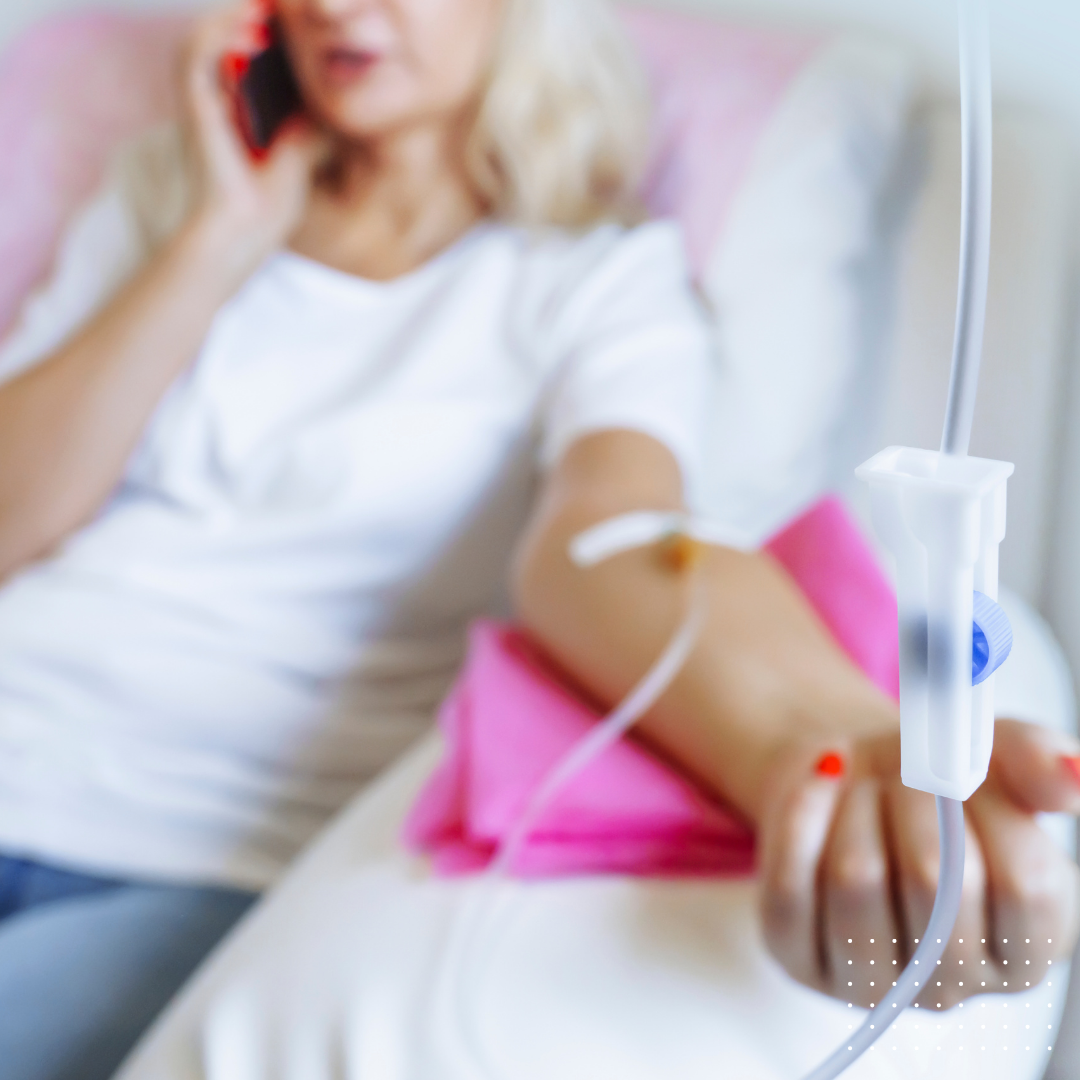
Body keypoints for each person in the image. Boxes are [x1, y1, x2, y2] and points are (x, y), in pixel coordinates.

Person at [0, 1, 1077, 1078]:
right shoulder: (170, 195)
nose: (333, 5)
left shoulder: (591, 282)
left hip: (188, 851)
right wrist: (219, 238)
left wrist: (821, 735)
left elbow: (619, 545)